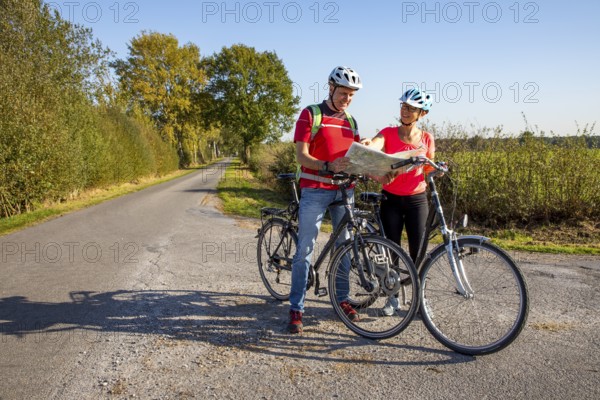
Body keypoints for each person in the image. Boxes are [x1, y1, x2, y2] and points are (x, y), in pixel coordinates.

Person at [287, 66, 363, 334]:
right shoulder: (311, 114)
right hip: (316, 189)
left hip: (344, 191)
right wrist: (328, 166)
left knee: (344, 247)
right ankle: (296, 307)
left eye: (351, 95)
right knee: (305, 248)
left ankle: (341, 299)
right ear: (331, 88)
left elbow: (354, 156)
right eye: (343, 93)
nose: (347, 99)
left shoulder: (351, 121)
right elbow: (302, 156)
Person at [361, 87, 435, 316]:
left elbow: (429, 168)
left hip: (417, 200)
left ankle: (420, 300)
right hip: (391, 199)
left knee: (418, 253)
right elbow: (376, 143)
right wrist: (367, 145)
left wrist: (437, 171)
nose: (405, 111)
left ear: (421, 114)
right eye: (403, 106)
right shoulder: (388, 133)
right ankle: (392, 296)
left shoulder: (426, 138)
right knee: (391, 250)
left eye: (411, 108)